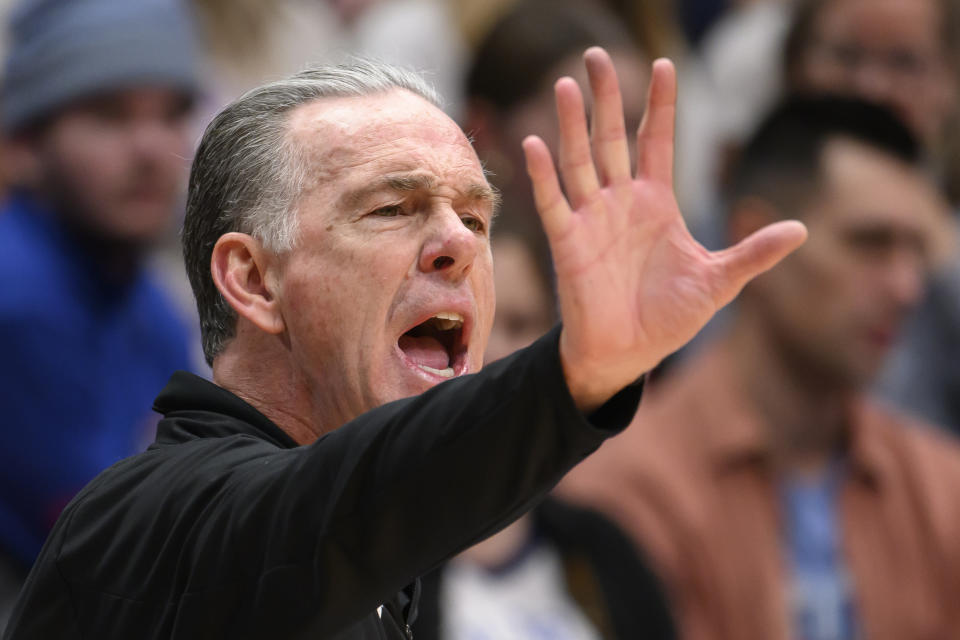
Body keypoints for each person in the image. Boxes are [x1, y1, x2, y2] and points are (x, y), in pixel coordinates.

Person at [4, 49, 806, 639]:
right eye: (392, 209)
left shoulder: (399, 563)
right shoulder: (153, 521)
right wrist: (576, 373)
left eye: (477, 217)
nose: (456, 244)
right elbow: (344, 502)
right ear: (252, 280)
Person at [559, 96, 960, 640]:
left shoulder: (939, 486)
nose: (907, 288)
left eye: (915, 252)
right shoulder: (628, 488)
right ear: (757, 242)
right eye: (870, 244)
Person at [0, 0, 200, 626]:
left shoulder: (150, 304)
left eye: (171, 114)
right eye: (110, 115)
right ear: (27, 144)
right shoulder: (16, 299)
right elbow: (113, 550)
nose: (151, 148)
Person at [414, 232, 676, 640]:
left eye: (519, 324)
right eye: (461, 325)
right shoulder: (376, 576)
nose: (493, 352)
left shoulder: (605, 551)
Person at [782, 0, 960, 434]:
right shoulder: (728, 229)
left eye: (905, 62)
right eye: (845, 55)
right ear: (796, 64)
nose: (871, 88)